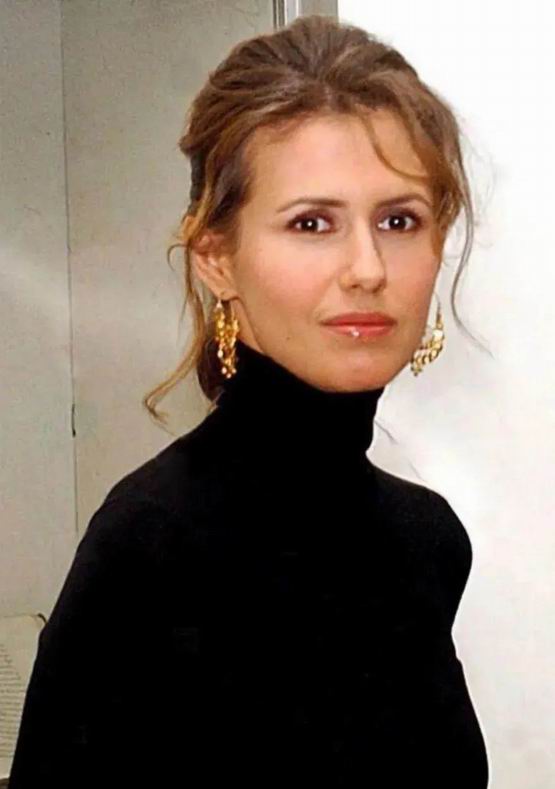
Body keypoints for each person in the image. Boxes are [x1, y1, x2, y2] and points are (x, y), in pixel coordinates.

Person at [9, 14, 489, 789]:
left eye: (398, 220)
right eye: (312, 223)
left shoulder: (426, 540)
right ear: (217, 258)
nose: (367, 267)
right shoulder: (152, 542)